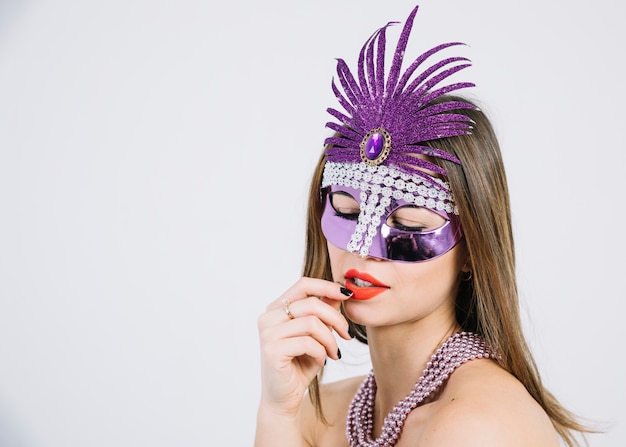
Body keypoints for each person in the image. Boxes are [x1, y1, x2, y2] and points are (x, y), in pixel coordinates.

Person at [255, 5, 592, 446]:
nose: (364, 246)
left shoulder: (480, 428)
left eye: (409, 223)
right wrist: (278, 413)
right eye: (347, 209)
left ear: (473, 249)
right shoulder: (321, 414)